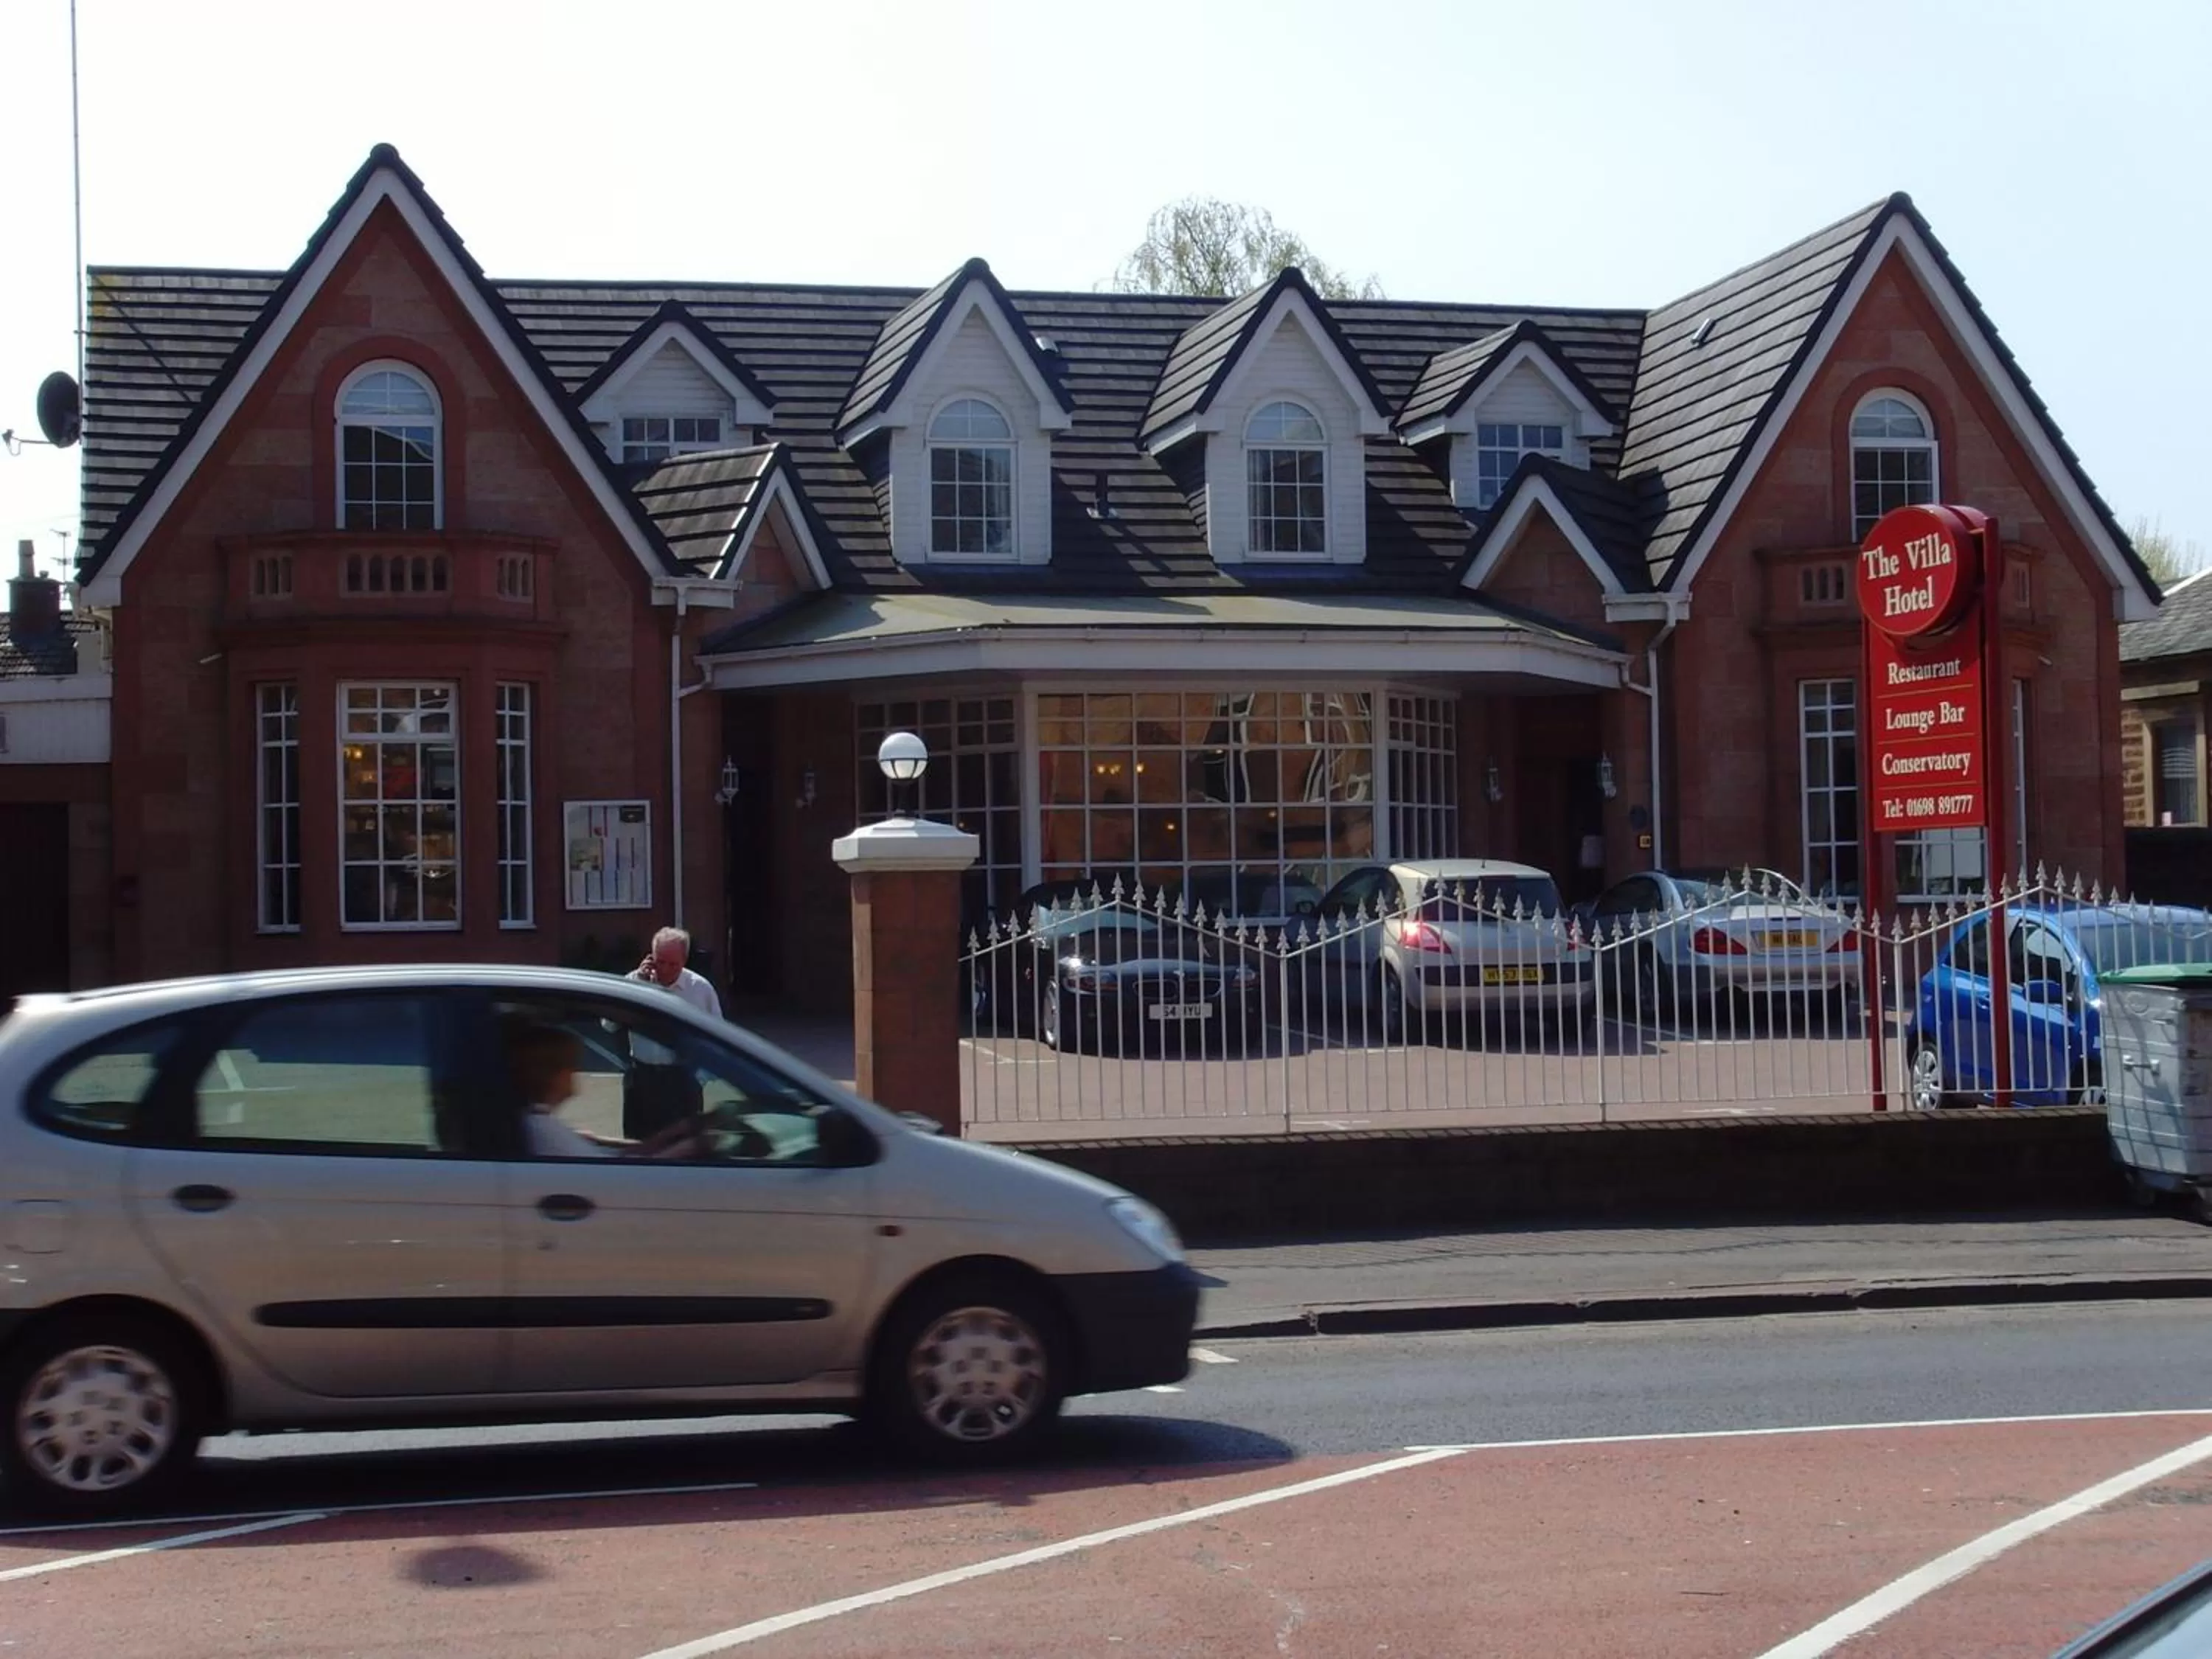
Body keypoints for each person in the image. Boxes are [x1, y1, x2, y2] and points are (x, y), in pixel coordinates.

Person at [504, 1019, 709, 1161]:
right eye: (572, 1066)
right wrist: (688, 1147)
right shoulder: (544, 1132)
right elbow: (619, 1178)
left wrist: (674, 1133)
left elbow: (604, 1150)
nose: (576, 1072)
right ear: (554, 1074)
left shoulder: (536, 1122)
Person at [622, 925, 720, 1138]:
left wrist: (698, 1079)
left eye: (673, 964)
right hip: (642, 1078)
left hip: (681, 1080)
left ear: (685, 961)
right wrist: (638, 989)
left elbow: (717, 1037)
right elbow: (608, 1025)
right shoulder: (633, 981)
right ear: (651, 957)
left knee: (682, 1147)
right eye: (660, 961)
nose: (665, 970)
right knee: (639, 1147)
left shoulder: (700, 990)